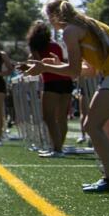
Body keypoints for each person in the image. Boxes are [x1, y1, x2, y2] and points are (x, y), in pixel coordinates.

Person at [25, 0, 109, 192]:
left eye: (49, 17)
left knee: (92, 125)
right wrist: (55, 66)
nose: (49, 22)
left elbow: (72, 71)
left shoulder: (70, 31)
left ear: (55, 16)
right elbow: (89, 70)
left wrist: (44, 67)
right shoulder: (87, 24)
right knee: (107, 128)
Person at [26, 20, 73, 157]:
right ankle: (58, 147)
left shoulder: (36, 47)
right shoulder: (55, 45)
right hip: (66, 81)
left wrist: (26, 67)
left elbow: (37, 65)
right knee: (62, 117)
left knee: (48, 116)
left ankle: (57, 149)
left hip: (52, 82)